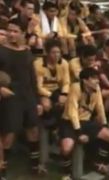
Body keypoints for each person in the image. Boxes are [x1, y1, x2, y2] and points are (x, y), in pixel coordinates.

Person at [0, 19, 44, 178]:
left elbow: (32, 78)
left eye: (15, 31)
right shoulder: (1, 50)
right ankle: (2, 170)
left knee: (33, 130)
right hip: (10, 97)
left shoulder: (26, 51)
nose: (11, 34)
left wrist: (38, 101)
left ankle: (35, 165)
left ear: (22, 34)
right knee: (9, 134)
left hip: (28, 96)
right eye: (9, 30)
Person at [59, 68, 109, 180]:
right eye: (94, 79)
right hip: (69, 122)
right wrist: (78, 132)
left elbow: (100, 107)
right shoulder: (75, 88)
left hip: (86, 121)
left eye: (97, 78)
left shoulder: (97, 89)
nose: (97, 81)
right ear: (85, 81)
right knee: (66, 148)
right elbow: (72, 112)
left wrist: (104, 124)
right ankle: (66, 173)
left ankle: (98, 162)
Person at [33, 39, 70, 127]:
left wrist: (64, 94)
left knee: (67, 103)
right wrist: (54, 96)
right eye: (53, 52)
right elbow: (39, 87)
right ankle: (46, 127)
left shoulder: (64, 63)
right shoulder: (38, 64)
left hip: (57, 90)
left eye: (58, 52)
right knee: (46, 105)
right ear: (47, 53)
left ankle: (60, 128)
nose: (57, 55)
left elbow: (66, 82)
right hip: (43, 92)